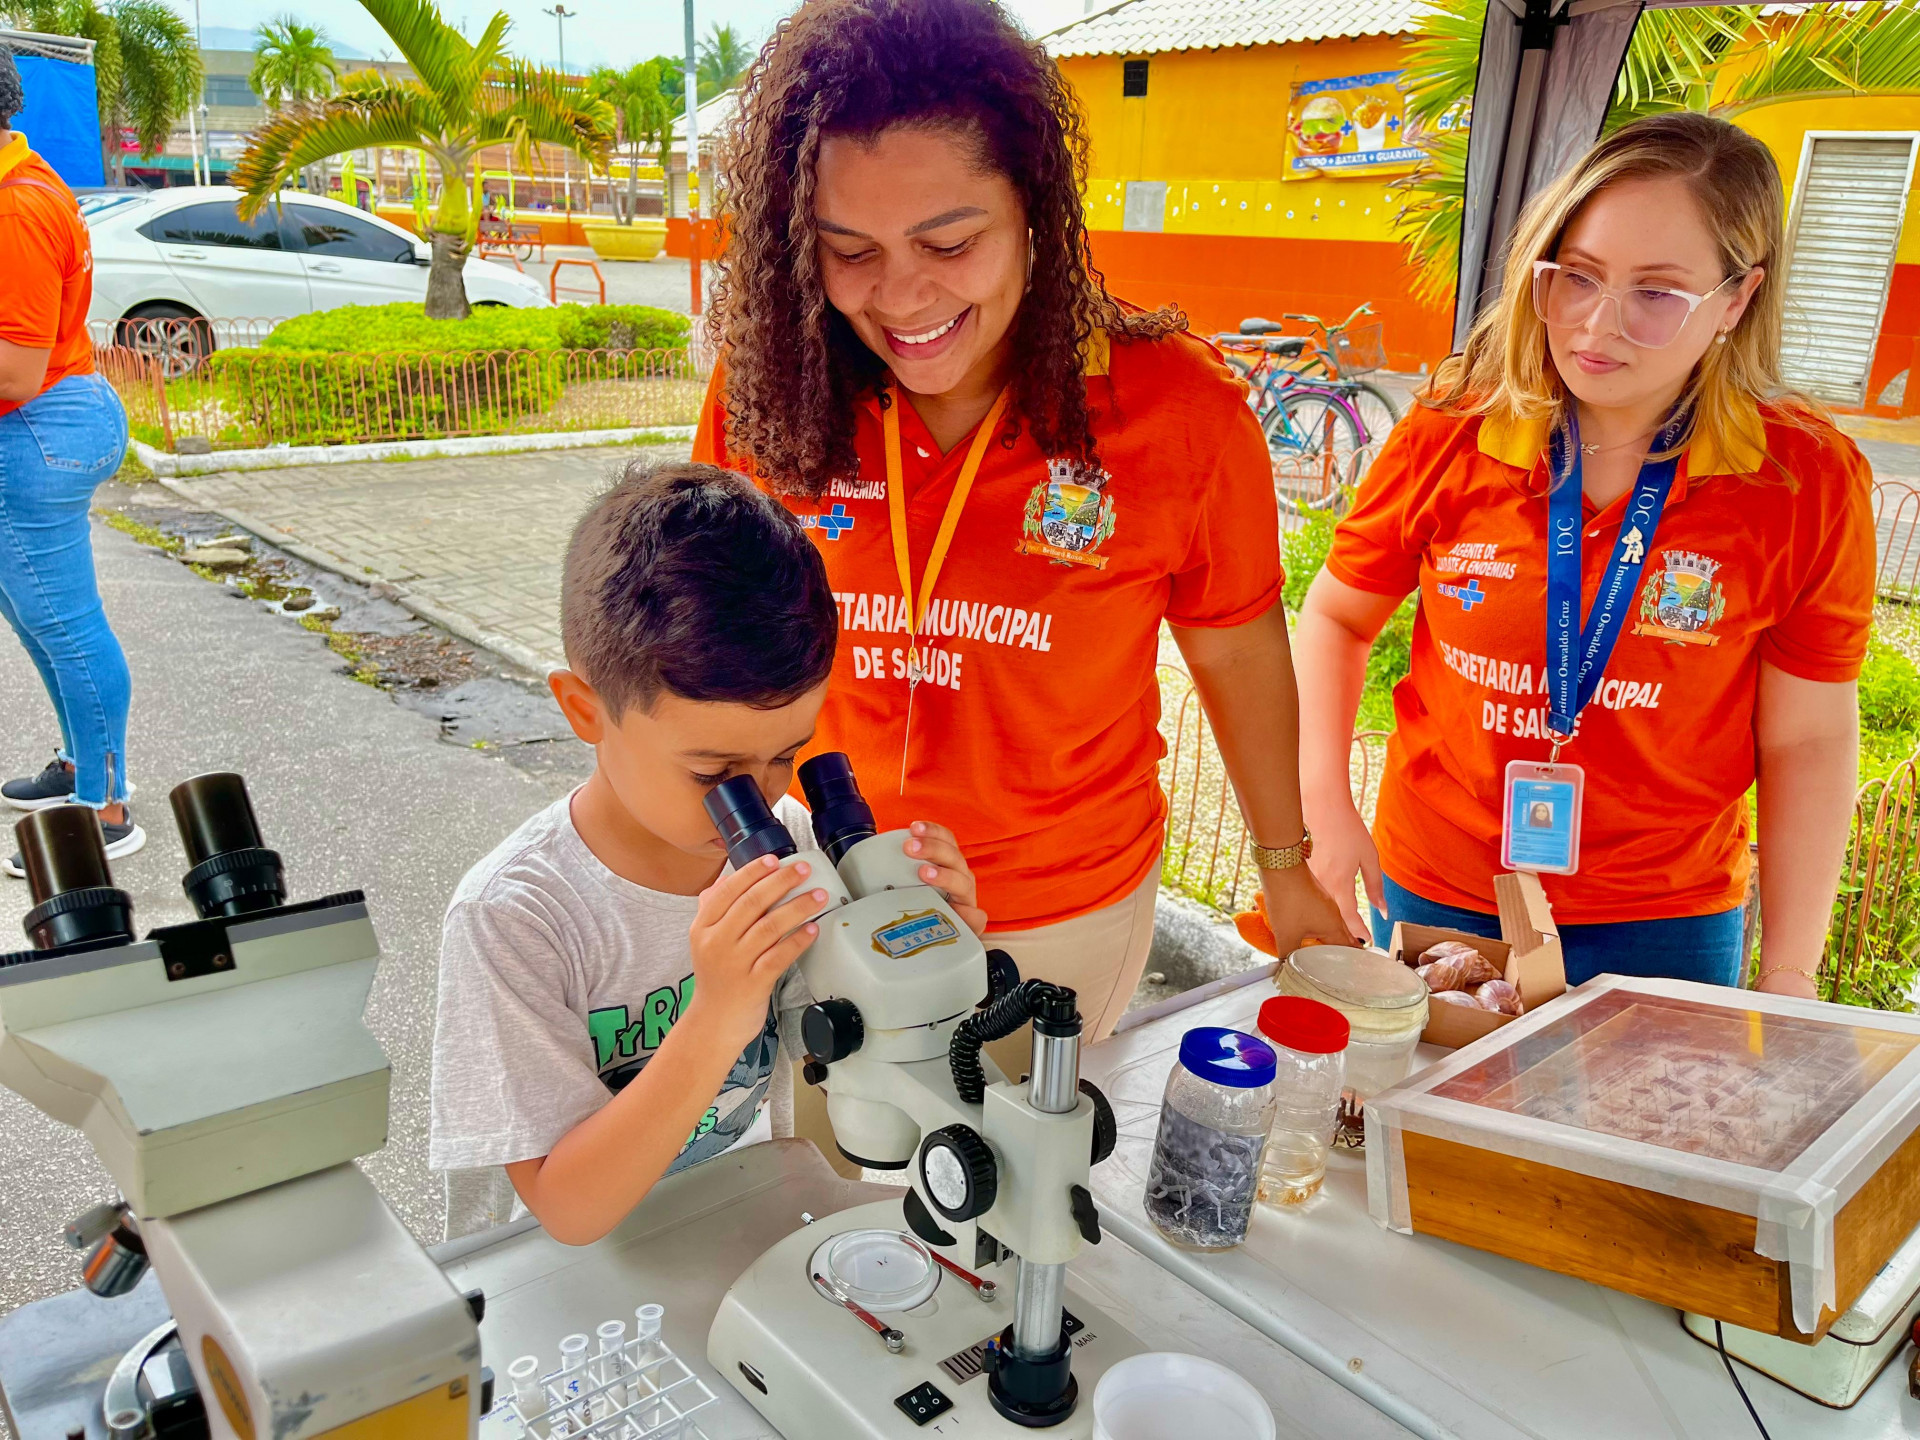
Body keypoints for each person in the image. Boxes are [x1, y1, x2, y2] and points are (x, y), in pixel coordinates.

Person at [694, 0, 1351, 1045]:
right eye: (847, 248)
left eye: (949, 240)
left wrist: (1288, 866)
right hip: (829, 898)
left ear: (1033, 208)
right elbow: (710, 638)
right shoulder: (771, 388)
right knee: (836, 1183)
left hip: (1063, 912)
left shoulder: (1179, 408)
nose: (900, 297)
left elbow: (1236, 650)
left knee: (1025, 1181)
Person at [1295, 112, 1874, 997]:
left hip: (1665, 923)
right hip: (1444, 891)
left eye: (1657, 293)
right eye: (1579, 277)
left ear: (1736, 300)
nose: (1596, 326)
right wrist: (1323, 809)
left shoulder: (1805, 480)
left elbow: (1808, 737)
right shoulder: (1458, 426)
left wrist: (1791, 968)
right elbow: (1336, 615)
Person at [428, 461, 984, 1243]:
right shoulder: (516, 918)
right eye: (715, 774)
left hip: (738, 1222)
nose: (756, 801)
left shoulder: (791, 843)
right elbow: (567, 1209)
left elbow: (845, 1041)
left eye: (788, 755)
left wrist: (920, 954)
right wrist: (717, 1014)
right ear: (585, 710)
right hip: (577, 1286)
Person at [0, 45, 143, 868]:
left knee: (64, 622)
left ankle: (106, 805)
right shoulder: (22, 181)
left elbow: (14, 367)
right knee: (34, 616)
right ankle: (77, 762)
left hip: (37, 426)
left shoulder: (17, 207)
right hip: (50, 417)